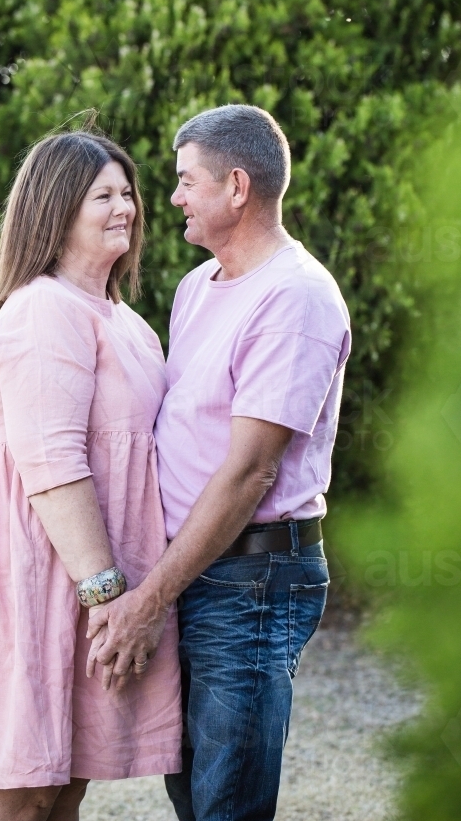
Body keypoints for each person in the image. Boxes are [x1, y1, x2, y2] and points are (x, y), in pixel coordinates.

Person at [87, 104, 351, 821]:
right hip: (194, 567)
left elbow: (247, 474)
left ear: (236, 186)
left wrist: (149, 600)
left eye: (185, 181)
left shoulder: (295, 298)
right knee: (191, 788)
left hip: (252, 577)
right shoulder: (195, 288)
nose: (169, 199)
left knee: (225, 802)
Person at [0, 130, 181, 821]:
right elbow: (53, 462)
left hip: (90, 568)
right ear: (57, 210)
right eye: (103, 196)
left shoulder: (125, 320)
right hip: (33, 570)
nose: (123, 207)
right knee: (24, 784)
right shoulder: (43, 310)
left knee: (67, 777)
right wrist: (107, 595)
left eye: (128, 193)